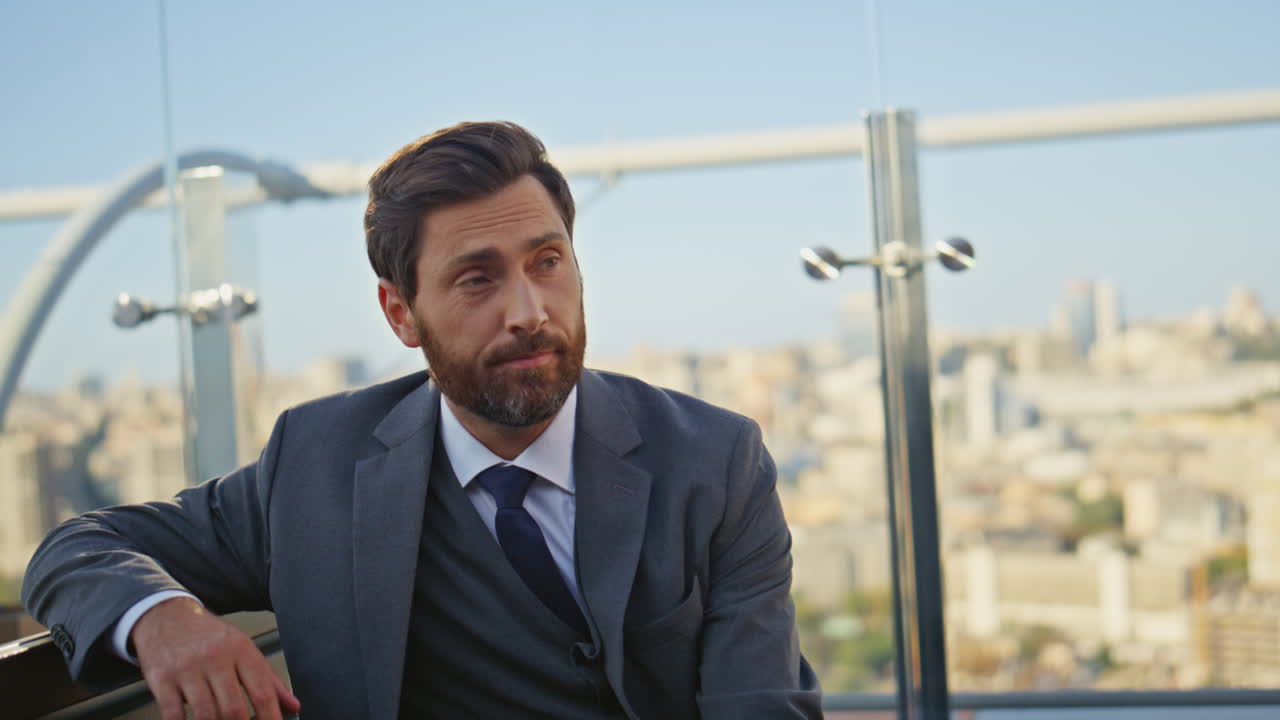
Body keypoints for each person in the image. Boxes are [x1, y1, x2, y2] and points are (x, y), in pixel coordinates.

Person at [23, 121, 822, 720]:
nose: (529, 312)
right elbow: (75, 548)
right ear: (401, 314)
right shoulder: (315, 464)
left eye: (547, 262)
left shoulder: (715, 461)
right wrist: (160, 617)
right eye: (477, 280)